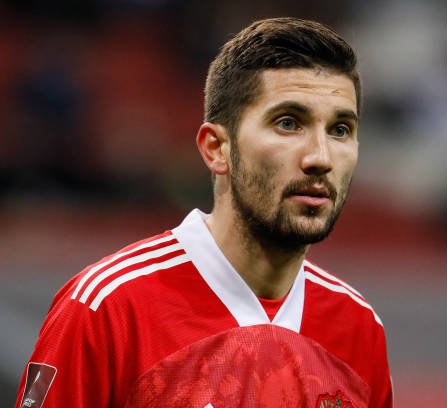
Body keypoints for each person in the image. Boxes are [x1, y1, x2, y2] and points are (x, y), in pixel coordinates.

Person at [15, 17, 393, 407]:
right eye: (288, 123)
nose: (321, 157)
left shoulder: (360, 327)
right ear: (216, 148)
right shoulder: (107, 309)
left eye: (340, 129)